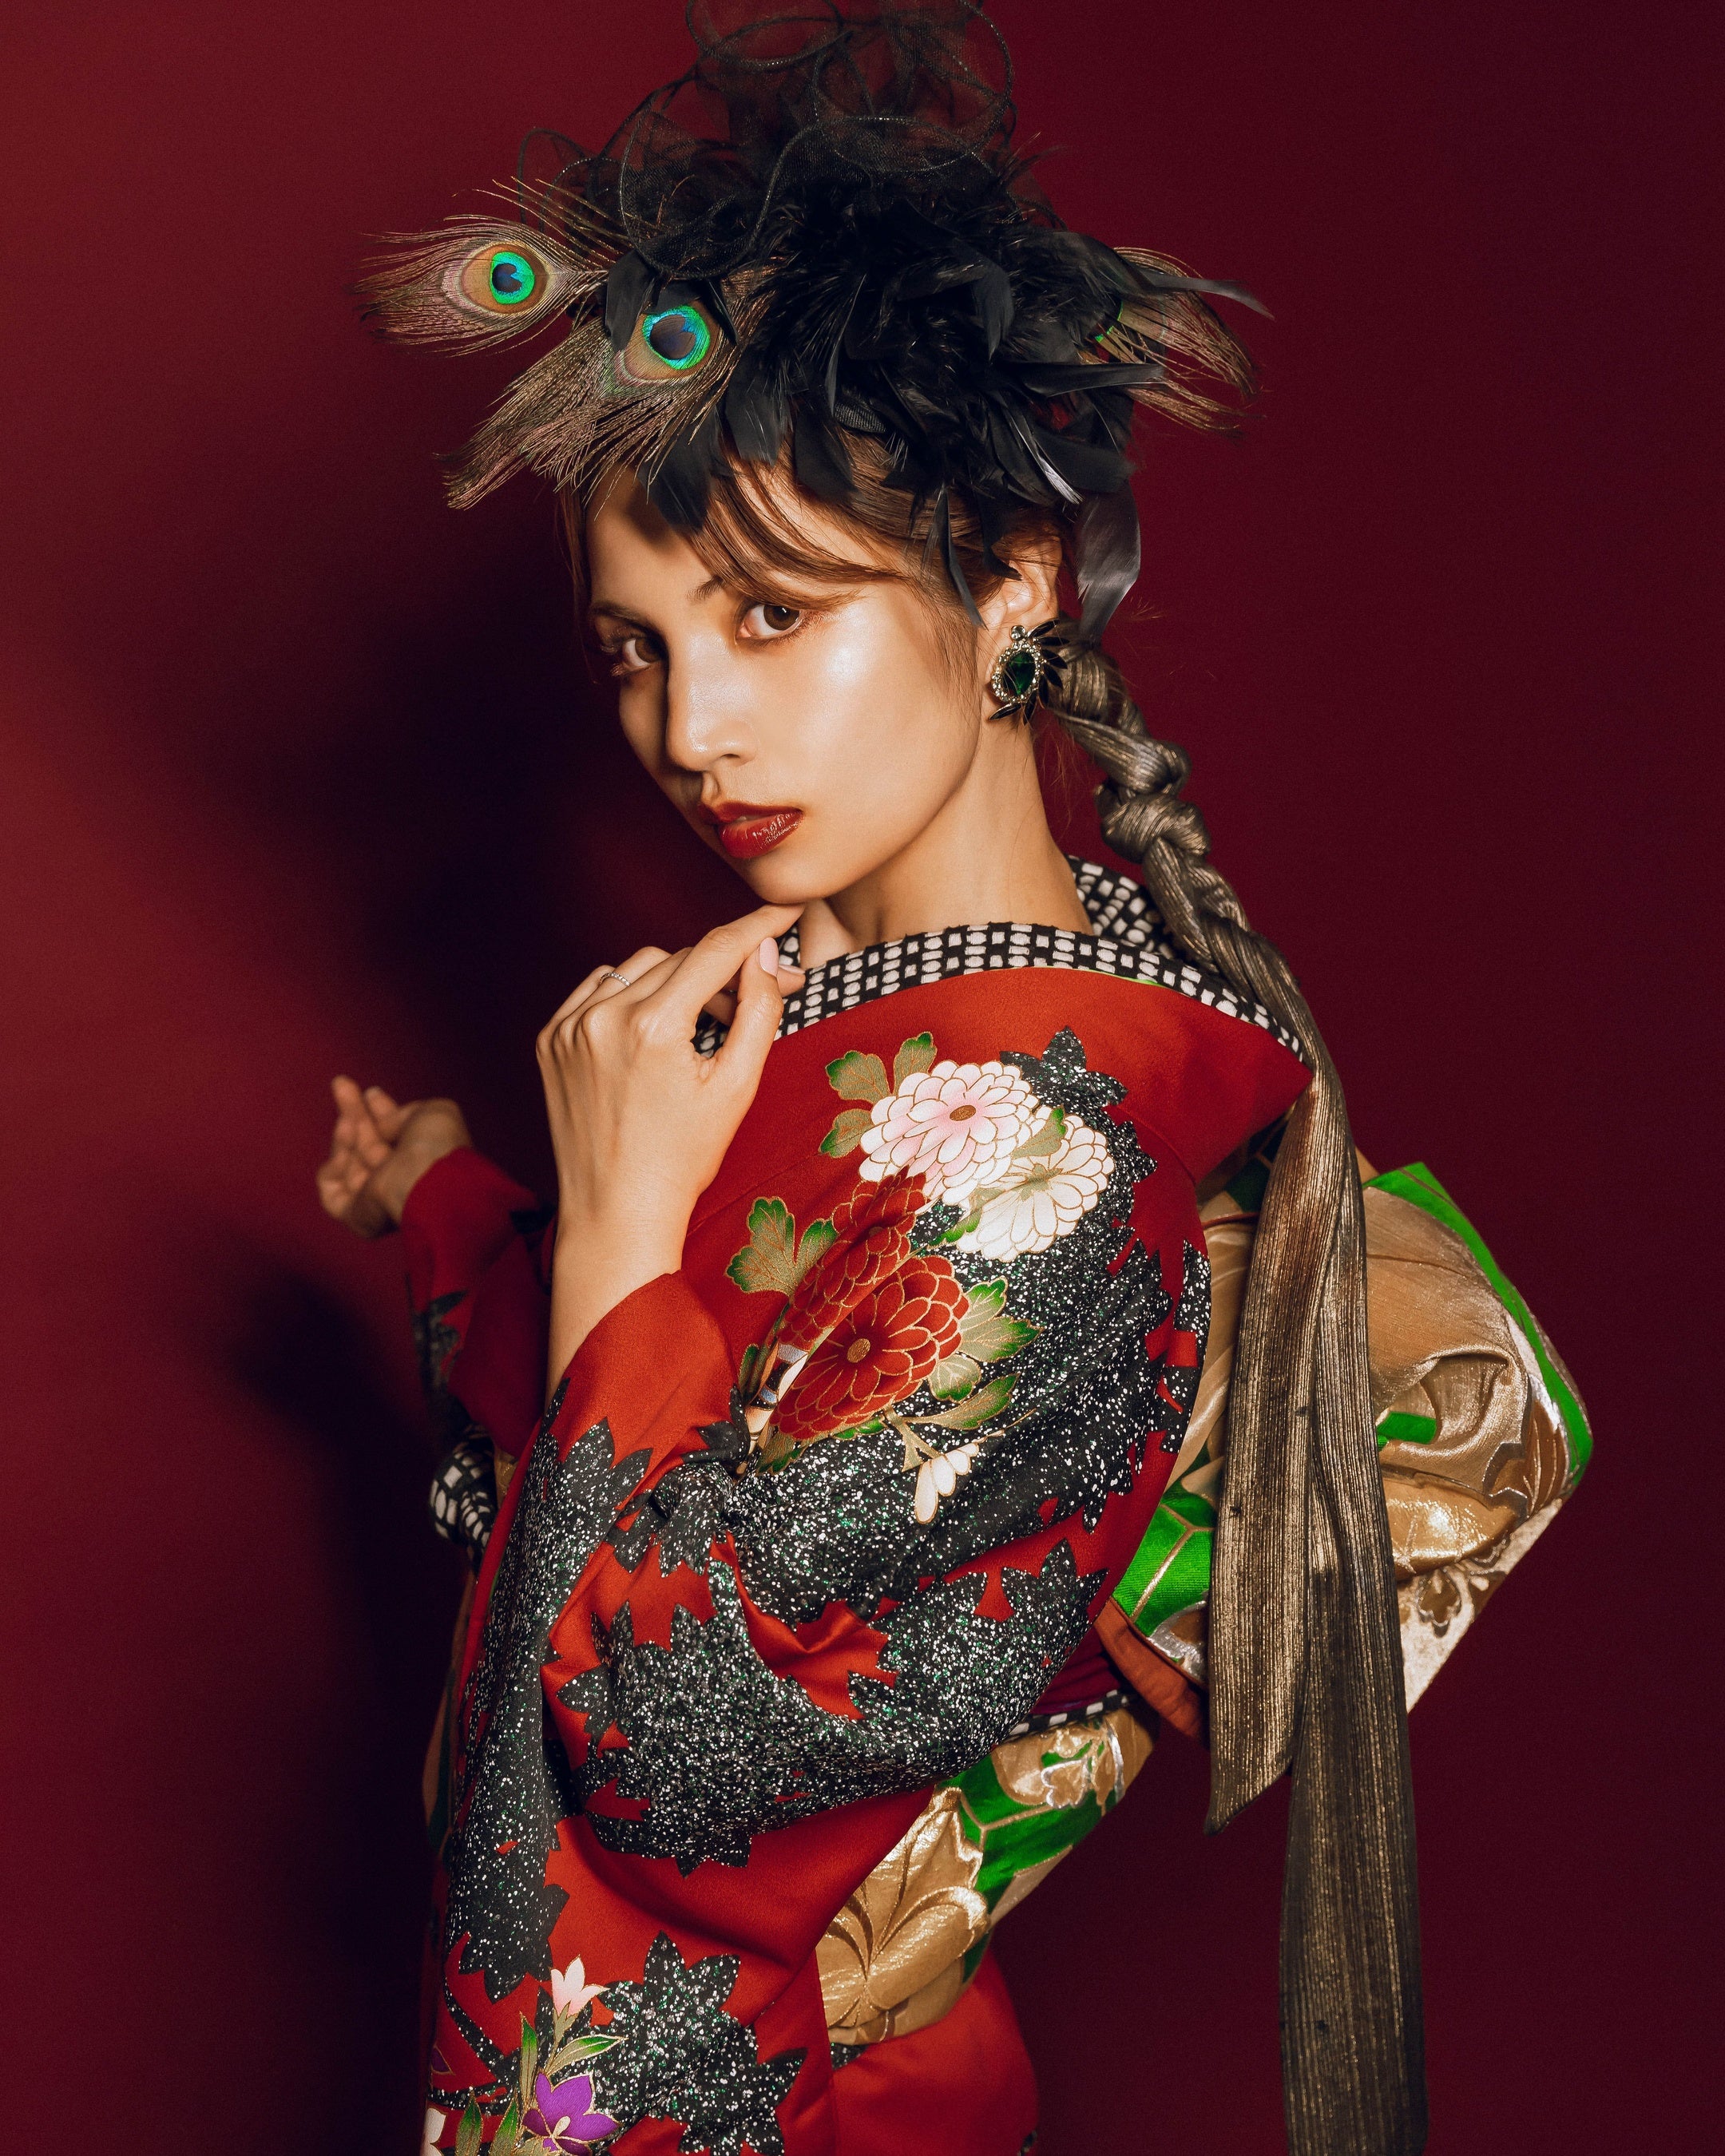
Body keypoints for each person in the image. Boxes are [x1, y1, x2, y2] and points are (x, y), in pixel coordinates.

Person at [317, 7, 1589, 2152]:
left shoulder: (1041, 1156)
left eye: (768, 614)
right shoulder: (838, 1031)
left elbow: (685, 1760)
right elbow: (619, 1433)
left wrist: (619, 1228)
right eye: (637, 647)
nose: (690, 731)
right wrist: (459, 1197)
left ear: (1010, 582)